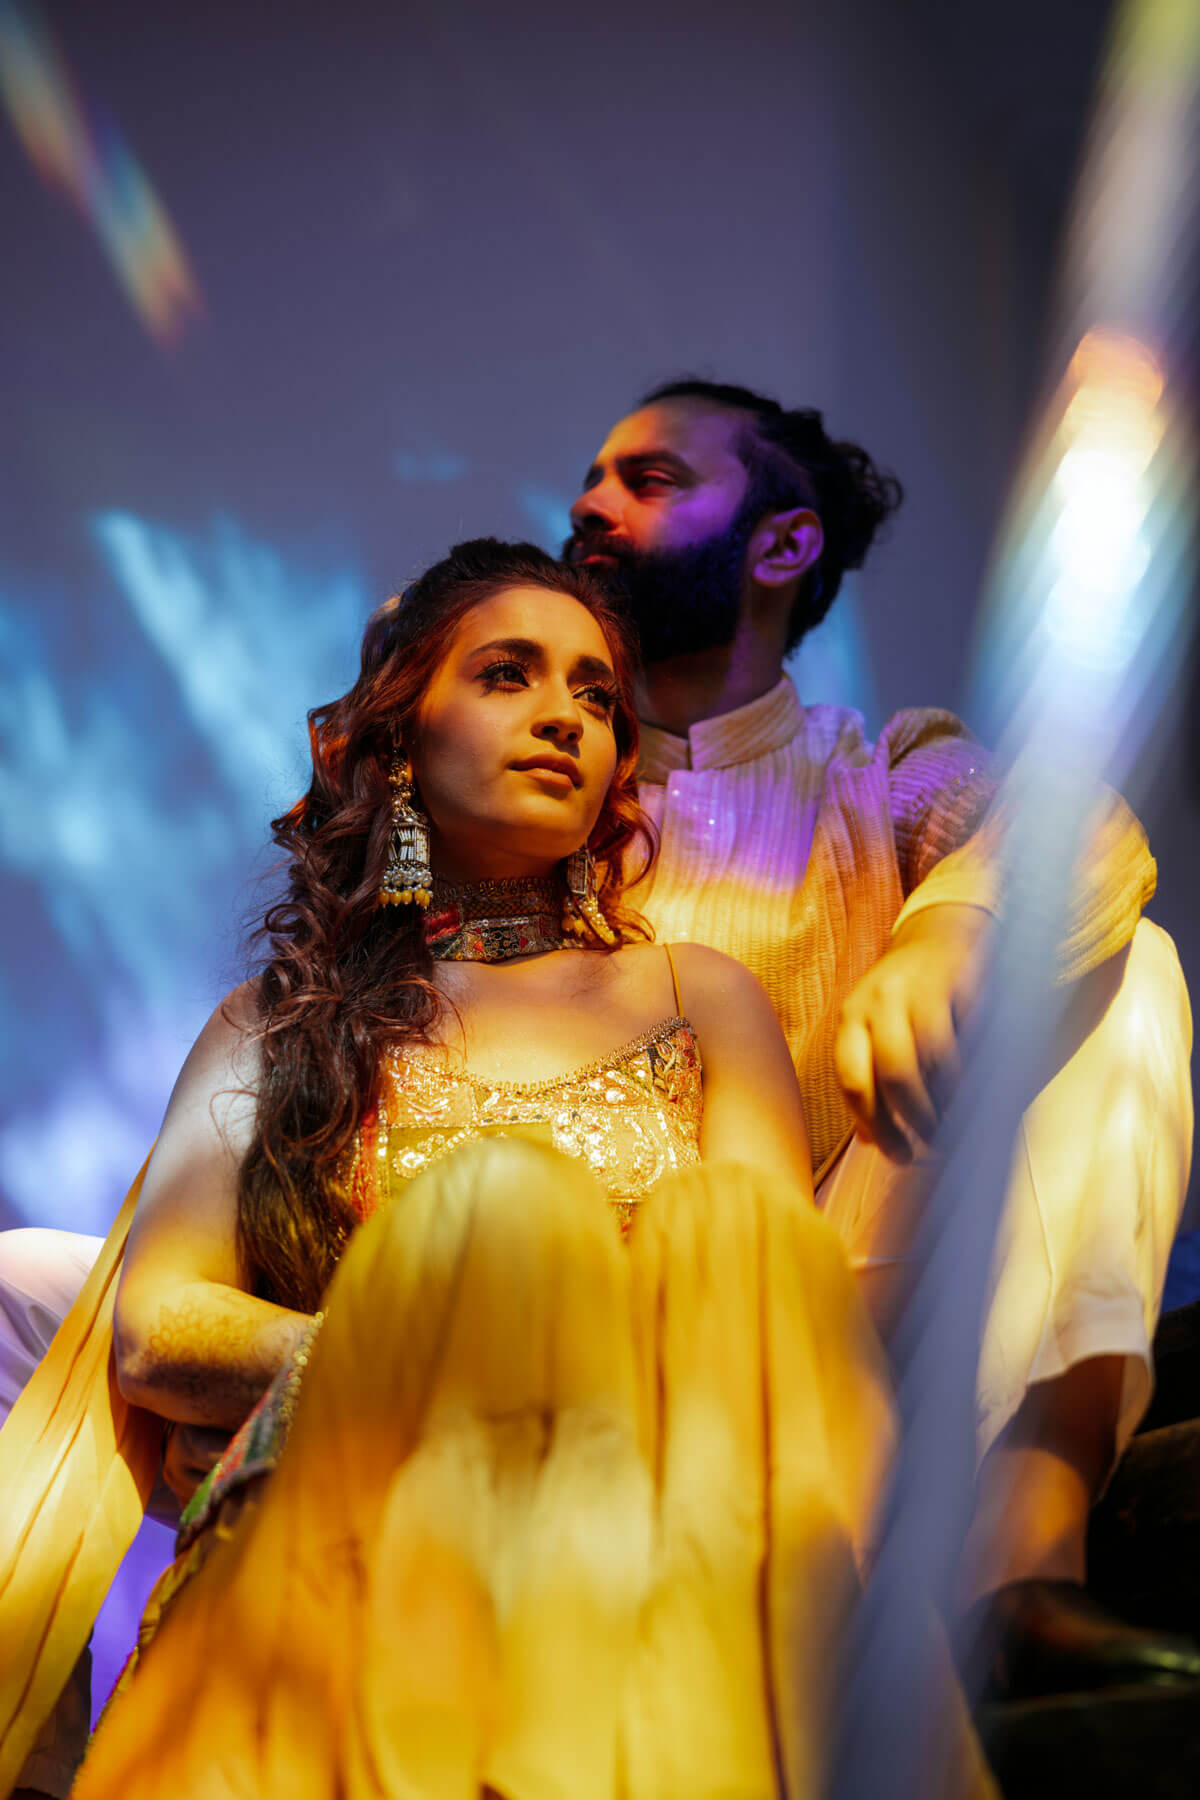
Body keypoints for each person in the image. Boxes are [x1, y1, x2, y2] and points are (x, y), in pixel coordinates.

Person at [4, 541, 990, 1800]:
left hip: (656, 1547)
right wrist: (428, 1347)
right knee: (498, 1223)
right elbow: (155, 1327)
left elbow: (759, 1328)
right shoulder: (274, 1023)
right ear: (398, 747)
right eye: (508, 674)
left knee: (718, 1247)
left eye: (596, 695)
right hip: (349, 1543)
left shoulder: (698, 994)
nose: (565, 717)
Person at [557, 377, 1197, 1695]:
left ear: (783, 545)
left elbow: (1079, 834)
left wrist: (946, 931)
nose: (590, 506)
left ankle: (1022, 1567)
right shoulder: (546, 785)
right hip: (586, 1317)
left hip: (844, 1286)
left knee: (1123, 964)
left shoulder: (880, 766)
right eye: (592, 482)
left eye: (648, 480)